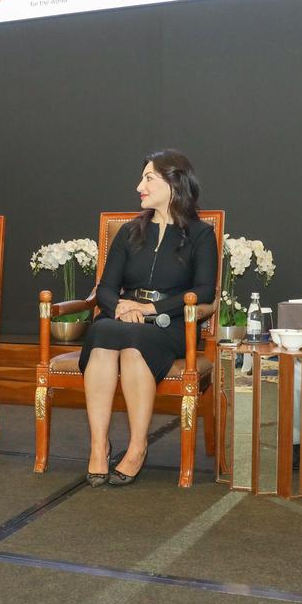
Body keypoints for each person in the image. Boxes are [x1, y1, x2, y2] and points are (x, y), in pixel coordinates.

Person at [80, 149, 218, 487]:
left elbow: (204, 292)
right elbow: (106, 288)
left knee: (134, 344)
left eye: (148, 179)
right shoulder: (130, 232)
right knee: (102, 334)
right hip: (121, 318)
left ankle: (138, 446)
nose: (139, 186)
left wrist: (150, 310)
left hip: (168, 324)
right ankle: (99, 445)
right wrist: (122, 308)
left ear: (174, 183)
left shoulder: (201, 235)